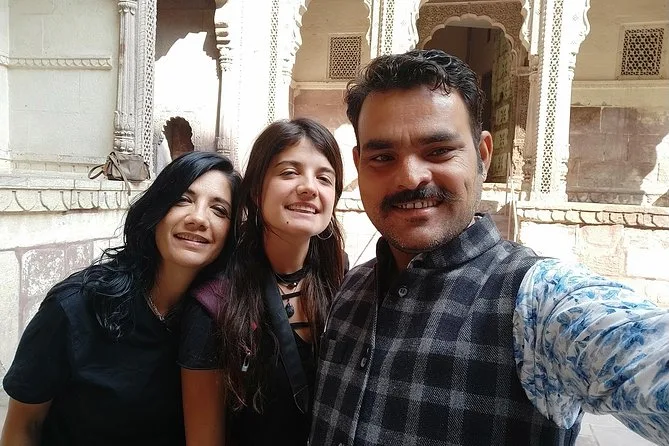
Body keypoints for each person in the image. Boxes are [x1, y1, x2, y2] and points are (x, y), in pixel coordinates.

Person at [309, 49, 669, 446]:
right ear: (359, 163)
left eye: (438, 151)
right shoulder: (353, 289)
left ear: (482, 154)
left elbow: (642, 351)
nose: (410, 177)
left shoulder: (537, 303)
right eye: (383, 157)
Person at [1, 151, 241, 446]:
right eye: (182, 200)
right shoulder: (76, 307)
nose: (199, 218)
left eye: (219, 210)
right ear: (157, 210)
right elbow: (24, 426)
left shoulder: (217, 321)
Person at [179, 118, 346, 445]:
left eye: (324, 178)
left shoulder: (343, 280)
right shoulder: (216, 303)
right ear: (256, 190)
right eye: (289, 172)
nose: (309, 187)